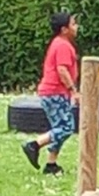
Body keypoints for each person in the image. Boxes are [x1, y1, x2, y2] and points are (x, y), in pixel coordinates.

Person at [21, 11, 78, 176]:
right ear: (64, 29)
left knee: (58, 128)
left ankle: (51, 164)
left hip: (53, 92)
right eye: (73, 24)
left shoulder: (59, 43)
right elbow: (62, 70)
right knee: (66, 128)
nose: (76, 27)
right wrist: (73, 90)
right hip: (55, 92)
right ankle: (34, 145)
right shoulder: (62, 45)